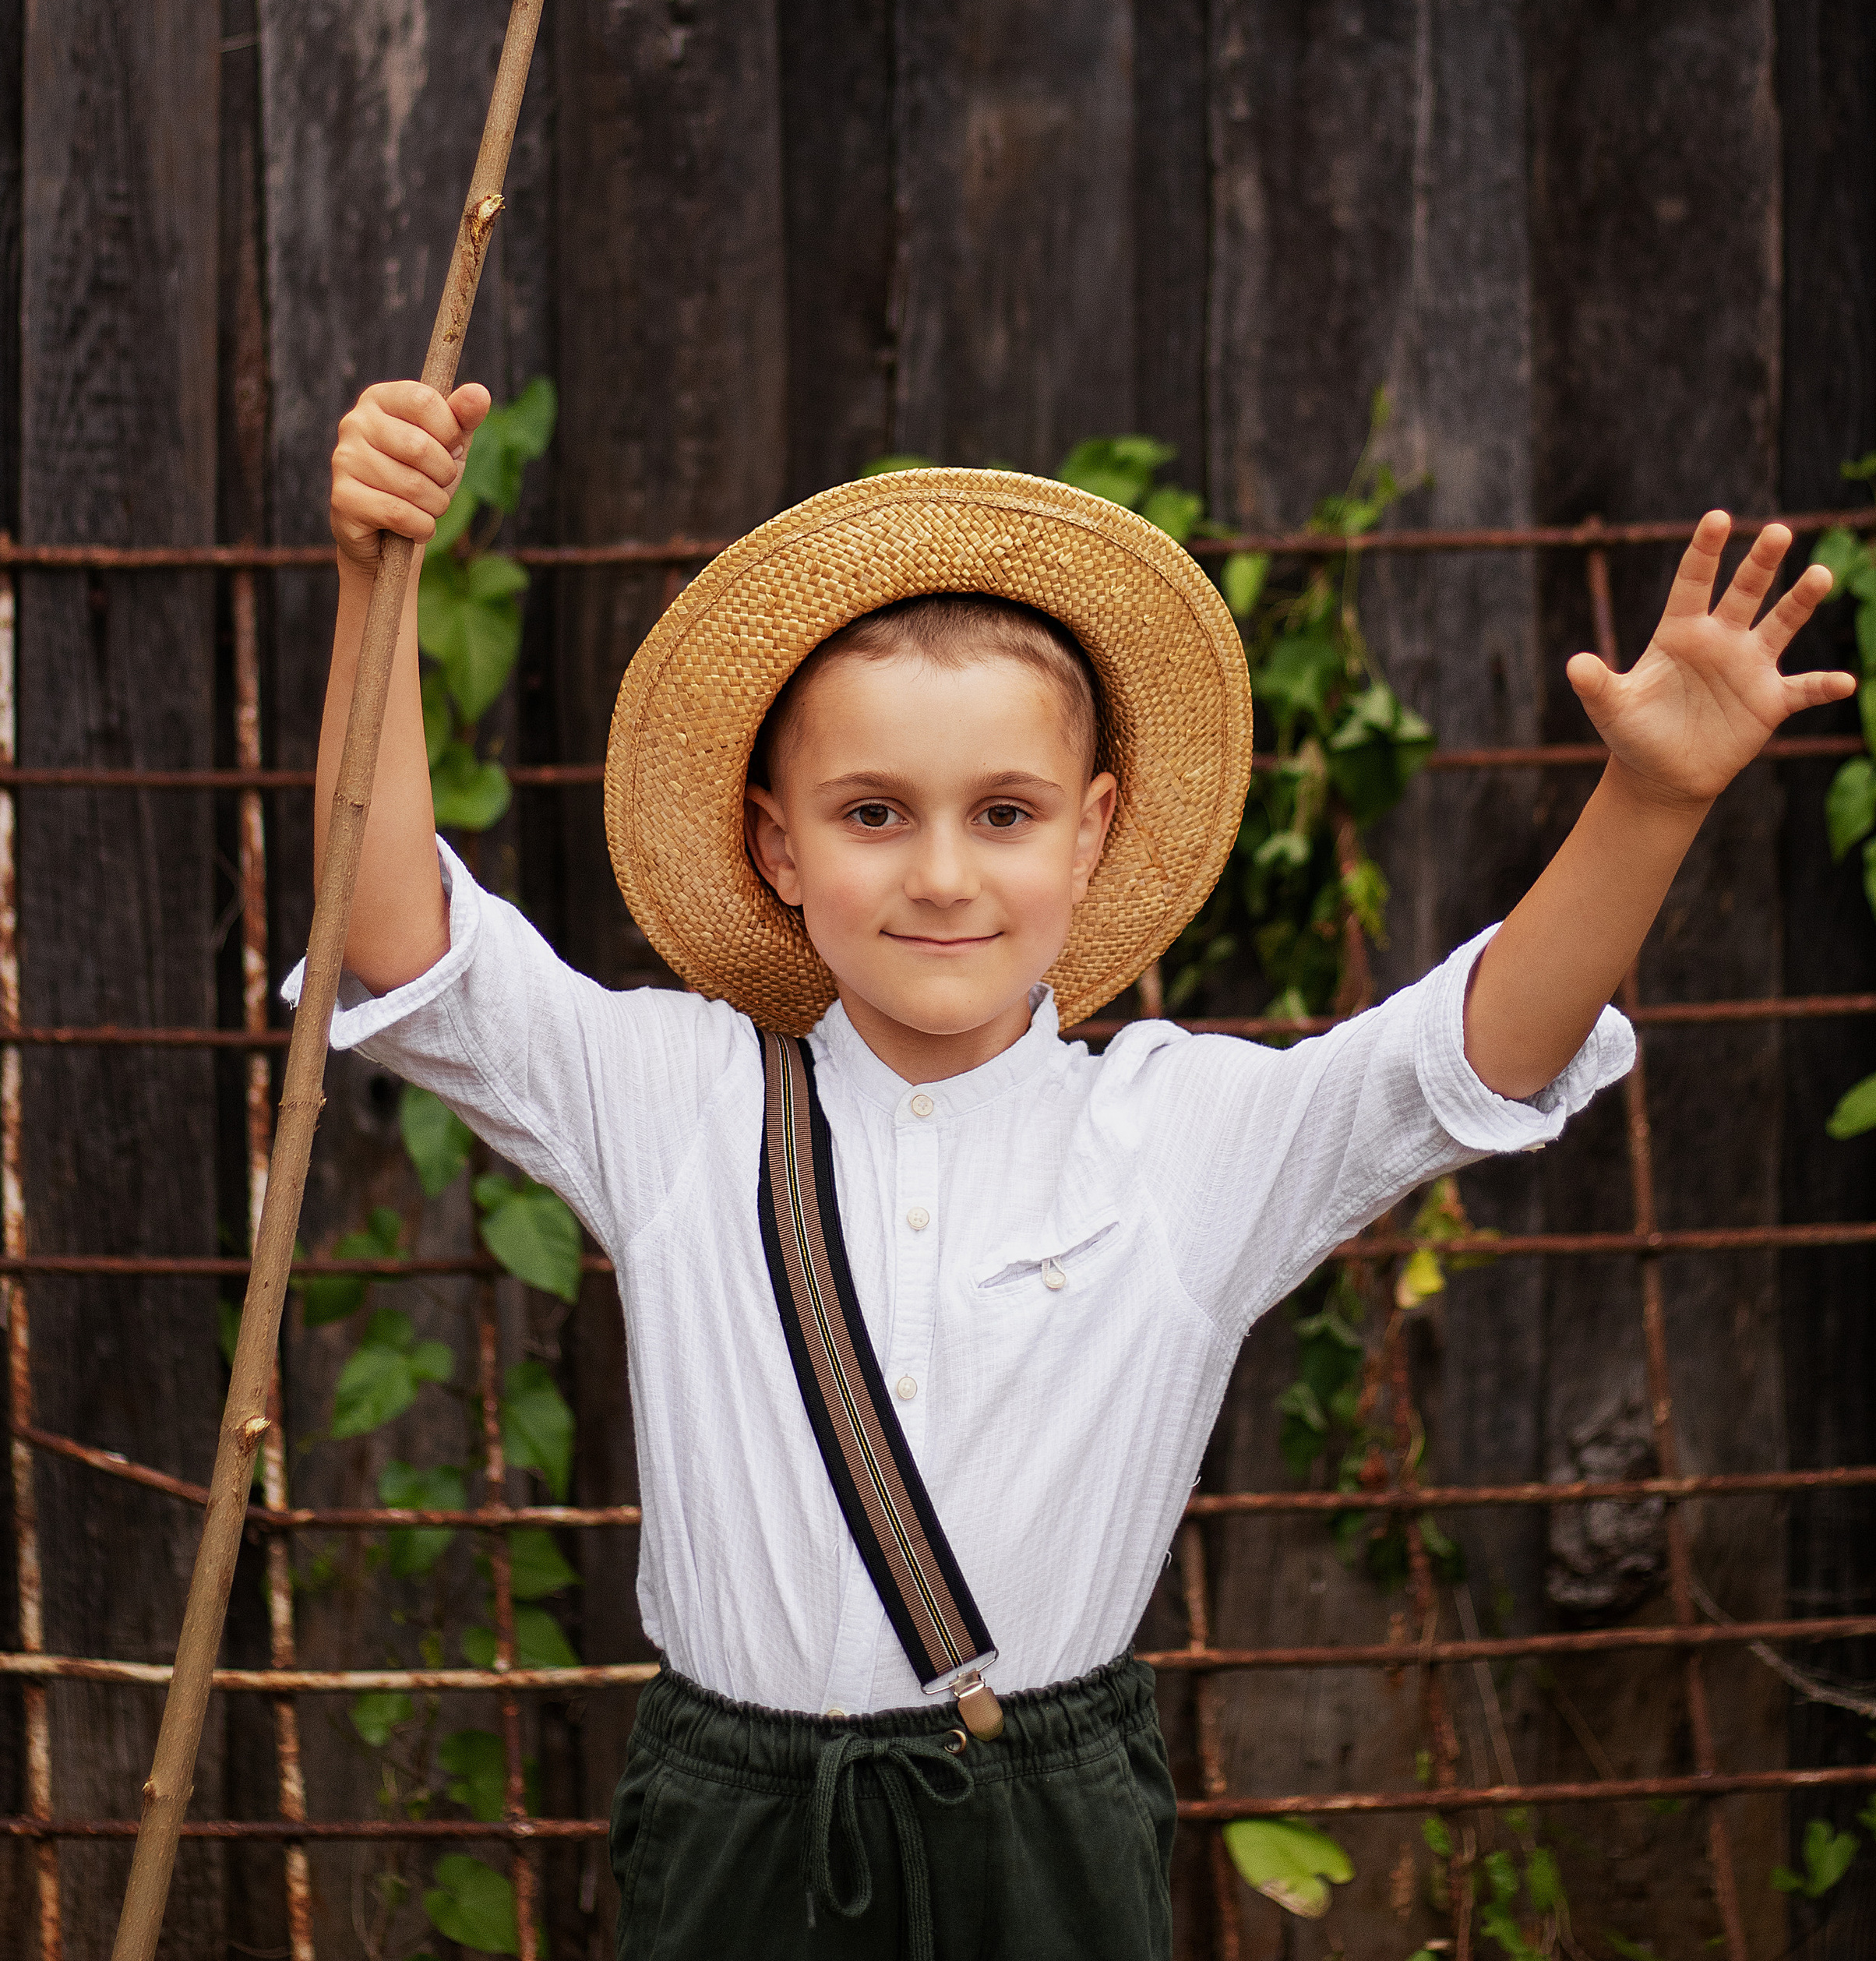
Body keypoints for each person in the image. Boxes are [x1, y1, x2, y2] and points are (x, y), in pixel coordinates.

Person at [298, 377, 1853, 1961]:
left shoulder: (1186, 1138)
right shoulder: (667, 1095)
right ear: (777, 846)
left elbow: (1473, 1052)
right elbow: (396, 938)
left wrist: (1650, 799)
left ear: (1092, 832)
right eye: (871, 814)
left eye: (1005, 812)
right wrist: (380, 577)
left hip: (1035, 1831)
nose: (943, 873)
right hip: (735, 1828)